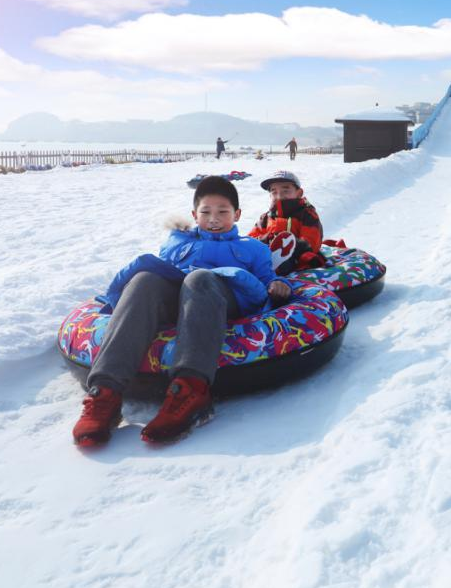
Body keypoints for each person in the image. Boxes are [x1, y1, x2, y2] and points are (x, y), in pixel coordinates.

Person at [71, 176, 291, 447]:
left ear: (237, 214)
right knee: (144, 279)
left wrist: (279, 285)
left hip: (220, 297)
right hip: (180, 296)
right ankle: (105, 392)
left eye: (223, 212)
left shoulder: (253, 248)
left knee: (199, 278)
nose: (213, 219)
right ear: (194, 215)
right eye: (205, 212)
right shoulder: (178, 241)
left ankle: (191, 389)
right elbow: (164, 272)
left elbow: (266, 278)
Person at [249, 170, 326, 274]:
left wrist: (287, 242)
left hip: (296, 258)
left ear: (299, 193)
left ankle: (270, 272)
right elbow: (250, 239)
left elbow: (311, 243)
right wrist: (268, 239)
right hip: (267, 255)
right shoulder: (266, 217)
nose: (279, 196)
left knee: (282, 261)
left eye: (285, 191)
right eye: (274, 192)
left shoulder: (307, 214)